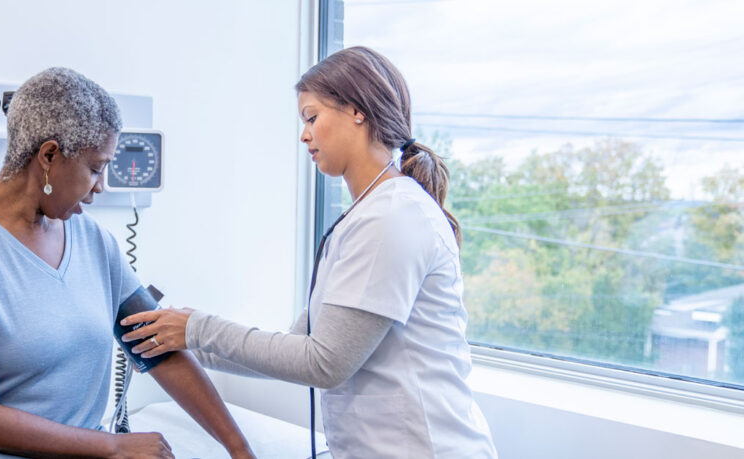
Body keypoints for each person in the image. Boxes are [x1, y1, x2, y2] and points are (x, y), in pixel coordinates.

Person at [120, 47, 497, 458]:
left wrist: (196, 328)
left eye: (312, 117)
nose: (304, 135)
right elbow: (296, 349)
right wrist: (183, 340)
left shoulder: (391, 217)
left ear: (357, 110)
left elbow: (325, 364)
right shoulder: (367, 216)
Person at [0, 67, 254, 458]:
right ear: (49, 155)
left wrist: (239, 450)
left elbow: (159, 350)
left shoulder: (94, 242)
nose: (101, 186)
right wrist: (114, 447)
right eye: (96, 168)